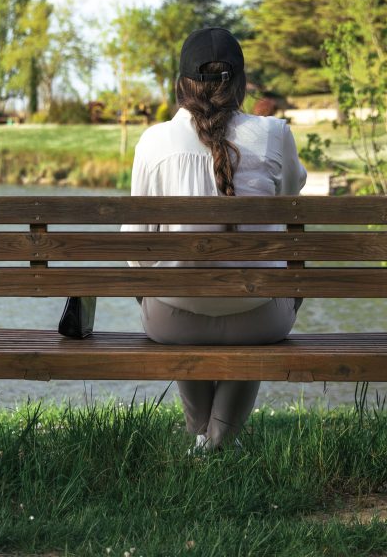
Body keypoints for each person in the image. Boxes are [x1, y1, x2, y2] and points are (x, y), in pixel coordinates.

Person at [125, 27, 308, 451]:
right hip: (262, 318)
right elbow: (290, 196)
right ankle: (220, 440)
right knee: (269, 291)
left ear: (182, 84)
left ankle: (201, 438)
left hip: (171, 322)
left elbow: (135, 248)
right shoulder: (274, 133)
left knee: (164, 291)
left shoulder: (153, 141)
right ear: (240, 82)